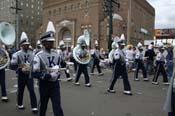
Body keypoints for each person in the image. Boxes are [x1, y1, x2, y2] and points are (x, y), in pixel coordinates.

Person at [32, 21, 64, 116]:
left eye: (53, 41)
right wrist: (48, 76)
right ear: (44, 43)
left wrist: (59, 72)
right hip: (44, 84)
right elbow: (34, 73)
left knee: (57, 106)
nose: (53, 43)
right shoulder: (39, 55)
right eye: (50, 41)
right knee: (43, 106)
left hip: (55, 84)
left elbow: (60, 66)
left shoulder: (57, 54)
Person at [11, 32, 38, 113]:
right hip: (21, 75)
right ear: (22, 45)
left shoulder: (32, 53)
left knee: (32, 90)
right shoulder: (17, 54)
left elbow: (35, 63)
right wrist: (20, 68)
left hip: (29, 75)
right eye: (25, 44)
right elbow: (12, 65)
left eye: (27, 44)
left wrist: (33, 68)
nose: (27, 46)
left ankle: (34, 107)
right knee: (21, 90)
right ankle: (19, 104)